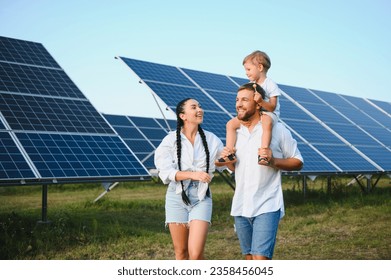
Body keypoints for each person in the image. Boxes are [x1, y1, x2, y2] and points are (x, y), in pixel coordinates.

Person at [220, 83, 303, 260]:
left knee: (260, 259)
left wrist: (273, 161)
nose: (238, 104)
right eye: (237, 100)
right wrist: (229, 163)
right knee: (249, 259)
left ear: (258, 104)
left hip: (267, 203)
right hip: (241, 204)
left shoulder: (278, 130)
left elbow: (298, 162)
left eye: (244, 100)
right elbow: (235, 168)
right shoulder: (236, 132)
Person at [154, 98, 224, 260]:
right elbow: (165, 172)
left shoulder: (212, 139)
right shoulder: (170, 140)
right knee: (181, 253)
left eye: (200, 106)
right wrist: (193, 174)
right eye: (194, 107)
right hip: (176, 196)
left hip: (201, 197)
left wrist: (230, 158)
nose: (200, 109)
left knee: (196, 254)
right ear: (183, 116)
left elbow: (225, 164)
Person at [216, 50, 281, 166]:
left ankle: (263, 153)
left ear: (260, 67)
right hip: (255, 114)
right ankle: (229, 153)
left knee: (266, 121)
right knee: (231, 124)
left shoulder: (270, 84)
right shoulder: (251, 84)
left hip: (269, 114)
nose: (246, 73)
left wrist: (261, 101)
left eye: (248, 69)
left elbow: (272, 107)